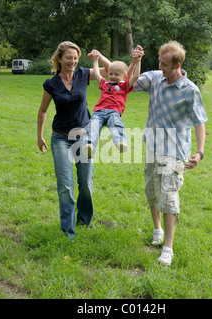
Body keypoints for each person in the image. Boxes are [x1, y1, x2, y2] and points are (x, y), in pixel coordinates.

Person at [132, 41, 208, 266]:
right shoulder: (155, 78)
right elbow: (130, 83)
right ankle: (157, 230)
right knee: (152, 191)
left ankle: (168, 248)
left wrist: (200, 152)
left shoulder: (190, 90)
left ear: (178, 64)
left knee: (169, 195)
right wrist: (135, 61)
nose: (160, 66)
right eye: (159, 61)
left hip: (175, 152)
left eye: (164, 64)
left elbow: (199, 122)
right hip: (153, 146)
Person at [37, 41, 111, 241]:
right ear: (59, 59)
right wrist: (40, 135)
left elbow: (113, 71)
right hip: (60, 138)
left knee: (86, 182)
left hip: (84, 136)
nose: (73, 61)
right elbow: (43, 110)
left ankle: (83, 221)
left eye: (75, 57)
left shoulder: (83, 75)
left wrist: (99, 56)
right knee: (65, 186)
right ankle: (68, 230)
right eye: (69, 57)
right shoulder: (51, 83)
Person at [82, 47, 144, 158]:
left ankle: (120, 142)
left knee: (115, 123)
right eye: (110, 74)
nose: (113, 76)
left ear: (124, 77)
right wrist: (95, 61)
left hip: (113, 112)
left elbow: (135, 76)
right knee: (93, 126)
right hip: (99, 112)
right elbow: (96, 73)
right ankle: (89, 146)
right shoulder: (105, 84)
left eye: (116, 74)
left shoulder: (124, 86)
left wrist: (138, 61)